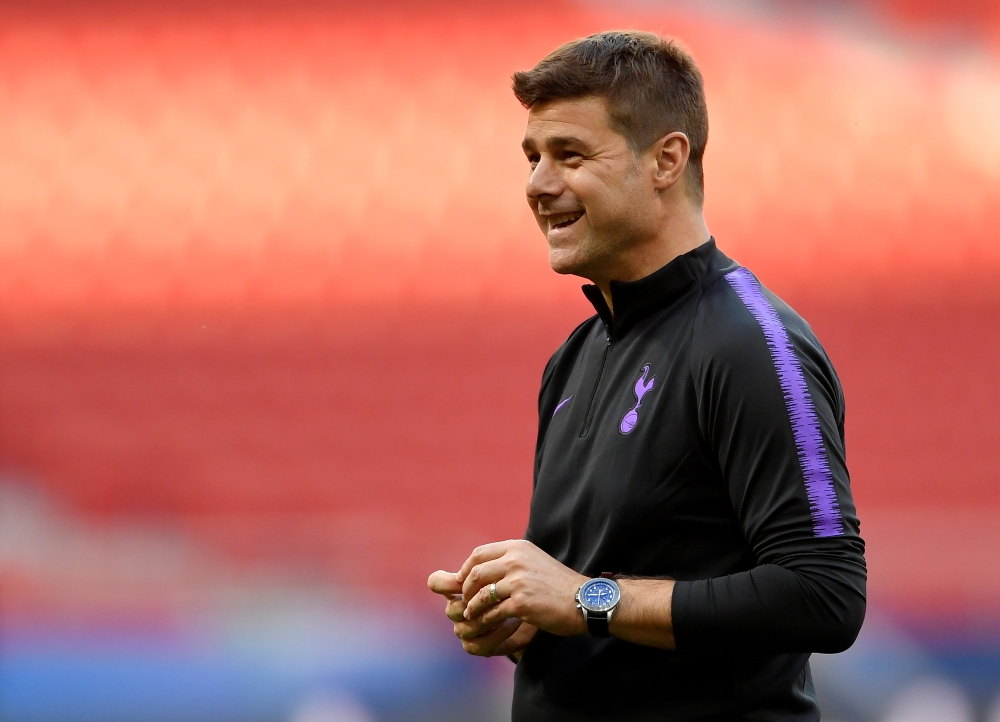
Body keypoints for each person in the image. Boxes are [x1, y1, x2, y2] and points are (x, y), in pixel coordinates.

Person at [428, 30, 865, 721]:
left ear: (666, 159)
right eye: (533, 157)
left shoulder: (750, 343)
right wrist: (524, 622)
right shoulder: (575, 355)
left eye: (570, 154)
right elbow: (596, 602)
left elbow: (824, 595)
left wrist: (582, 600)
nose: (539, 184)